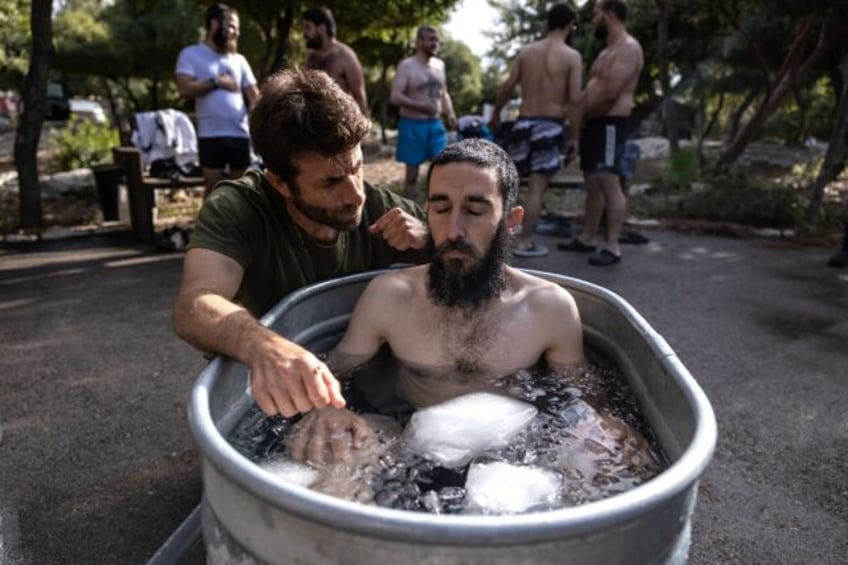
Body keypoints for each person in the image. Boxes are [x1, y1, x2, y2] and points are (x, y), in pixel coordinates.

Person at [287, 138, 590, 462]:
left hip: (516, 451)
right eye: (441, 209)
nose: (454, 230)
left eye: (474, 211)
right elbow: (334, 375)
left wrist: (605, 426)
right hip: (406, 439)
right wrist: (331, 409)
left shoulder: (549, 309)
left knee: (603, 453)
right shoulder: (391, 297)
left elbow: (585, 399)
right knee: (329, 450)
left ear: (511, 221)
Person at [173, 68, 431, 419]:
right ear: (280, 183)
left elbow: (485, 257)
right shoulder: (240, 208)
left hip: (368, 374)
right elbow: (194, 306)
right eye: (331, 182)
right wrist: (266, 348)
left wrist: (432, 238)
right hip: (275, 389)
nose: (355, 195)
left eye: (356, 168)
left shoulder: (380, 205)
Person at [489, 3, 582, 258]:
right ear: (570, 24)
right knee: (538, 187)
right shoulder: (572, 57)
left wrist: (496, 112)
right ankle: (524, 242)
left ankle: (495, 242)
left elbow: (507, 87)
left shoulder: (527, 52)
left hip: (523, 123)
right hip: (549, 126)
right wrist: (574, 136)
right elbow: (575, 100)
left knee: (512, 186)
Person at [557, 0, 643, 266]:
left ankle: (612, 245)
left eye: (596, 13)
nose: (592, 18)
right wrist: (579, 125)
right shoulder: (607, 51)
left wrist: (582, 116)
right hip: (594, 124)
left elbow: (609, 93)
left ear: (610, 14)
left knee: (608, 182)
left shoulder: (629, 48)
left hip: (609, 123)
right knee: (592, 183)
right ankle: (587, 238)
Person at [175, 3, 260, 198]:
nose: (236, 32)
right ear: (214, 24)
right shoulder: (191, 54)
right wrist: (216, 82)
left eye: (237, 28)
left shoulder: (239, 60)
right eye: (231, 26)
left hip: (239, 134)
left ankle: (237, 228)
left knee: (241, 188)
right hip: (210, 134)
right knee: (213, 188)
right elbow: (184, 88)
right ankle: (210, 229)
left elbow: (254, 96)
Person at [390, 26, 457, 202]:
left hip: (435, 125)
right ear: (419, 42)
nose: (435, 43)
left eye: (437, 40)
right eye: (431, 40)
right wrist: (421, 106)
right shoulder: (407, 66)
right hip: (412, 124)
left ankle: (436, 212)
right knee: (412, 176)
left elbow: (444, 93)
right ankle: (411, 211)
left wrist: (450, 113)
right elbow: (395, 97)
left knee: (444, 169)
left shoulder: (440, 65)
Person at [302, 7, 369, 116]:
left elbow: (359, 98)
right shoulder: (311, 56)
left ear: (322, 28)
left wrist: (363, 129)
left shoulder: (346, 56)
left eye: (308, 27)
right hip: (312, 124)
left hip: (338, 124)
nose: (304, 33)